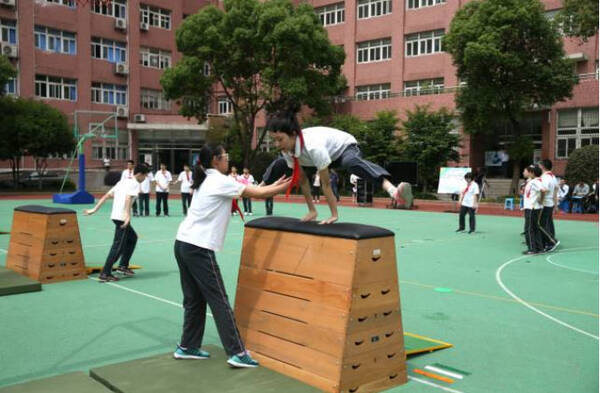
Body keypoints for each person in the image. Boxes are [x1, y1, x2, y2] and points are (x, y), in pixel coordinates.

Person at [172, 144, 291, 367]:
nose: (228, 160)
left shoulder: (207, 179)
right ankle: (237, 352)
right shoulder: (219, 180)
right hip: (198, 247)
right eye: (225, 157)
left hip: (183, 243)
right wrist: (285, 185)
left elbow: (256, 189)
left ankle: (188, 346)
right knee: (219, 300)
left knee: (194, 299)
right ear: (216, 160)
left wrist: (272, 185)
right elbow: (260, 193)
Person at [262, 108, 412, 224]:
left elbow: (326, 184)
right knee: (280, 162)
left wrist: (334, 215)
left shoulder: (313, 147)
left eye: (280, 139)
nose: (276, 144)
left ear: (293, 134)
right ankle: (260, 186)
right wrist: (312, 211)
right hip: (324, 156)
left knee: (350, 163)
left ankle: (393, 190)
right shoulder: (287, 151)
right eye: (274, 140)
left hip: (345, 148)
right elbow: (302, 180)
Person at [84, 164, 149, 282]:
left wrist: (94, 209)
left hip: (116, 216)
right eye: (145, 176)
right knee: (117, 246)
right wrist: (128, 215)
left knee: (132, 238)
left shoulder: (122, 182)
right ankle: (105, 273)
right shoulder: (134, 183)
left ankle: (123, 266)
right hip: (121, 217)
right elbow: (128, 198)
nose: (145, 178)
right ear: (140, 174)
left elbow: (107, 195)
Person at [522, 165, 547, 255]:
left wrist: (541, 200)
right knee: (535, 228)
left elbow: (543, 190)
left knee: (529, 229)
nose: (527, 173)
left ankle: (532, 248)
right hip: (533, 207)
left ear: (532, 172)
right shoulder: (535, 181)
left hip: (532, 207)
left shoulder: (535, 182)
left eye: (529, 171)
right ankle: (539, 248)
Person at [538, 160, 560, 252]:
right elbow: (555, 192)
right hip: (550, 203)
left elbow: (544, 190)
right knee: (548, 223)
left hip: (545, 203)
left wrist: (541, 201)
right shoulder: (553, 177)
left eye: (539, 165)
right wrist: (555, 206)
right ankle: (548, 241)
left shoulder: (545, 177)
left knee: (541, 224)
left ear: (542, 167)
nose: (538, 167)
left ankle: (551, 242)